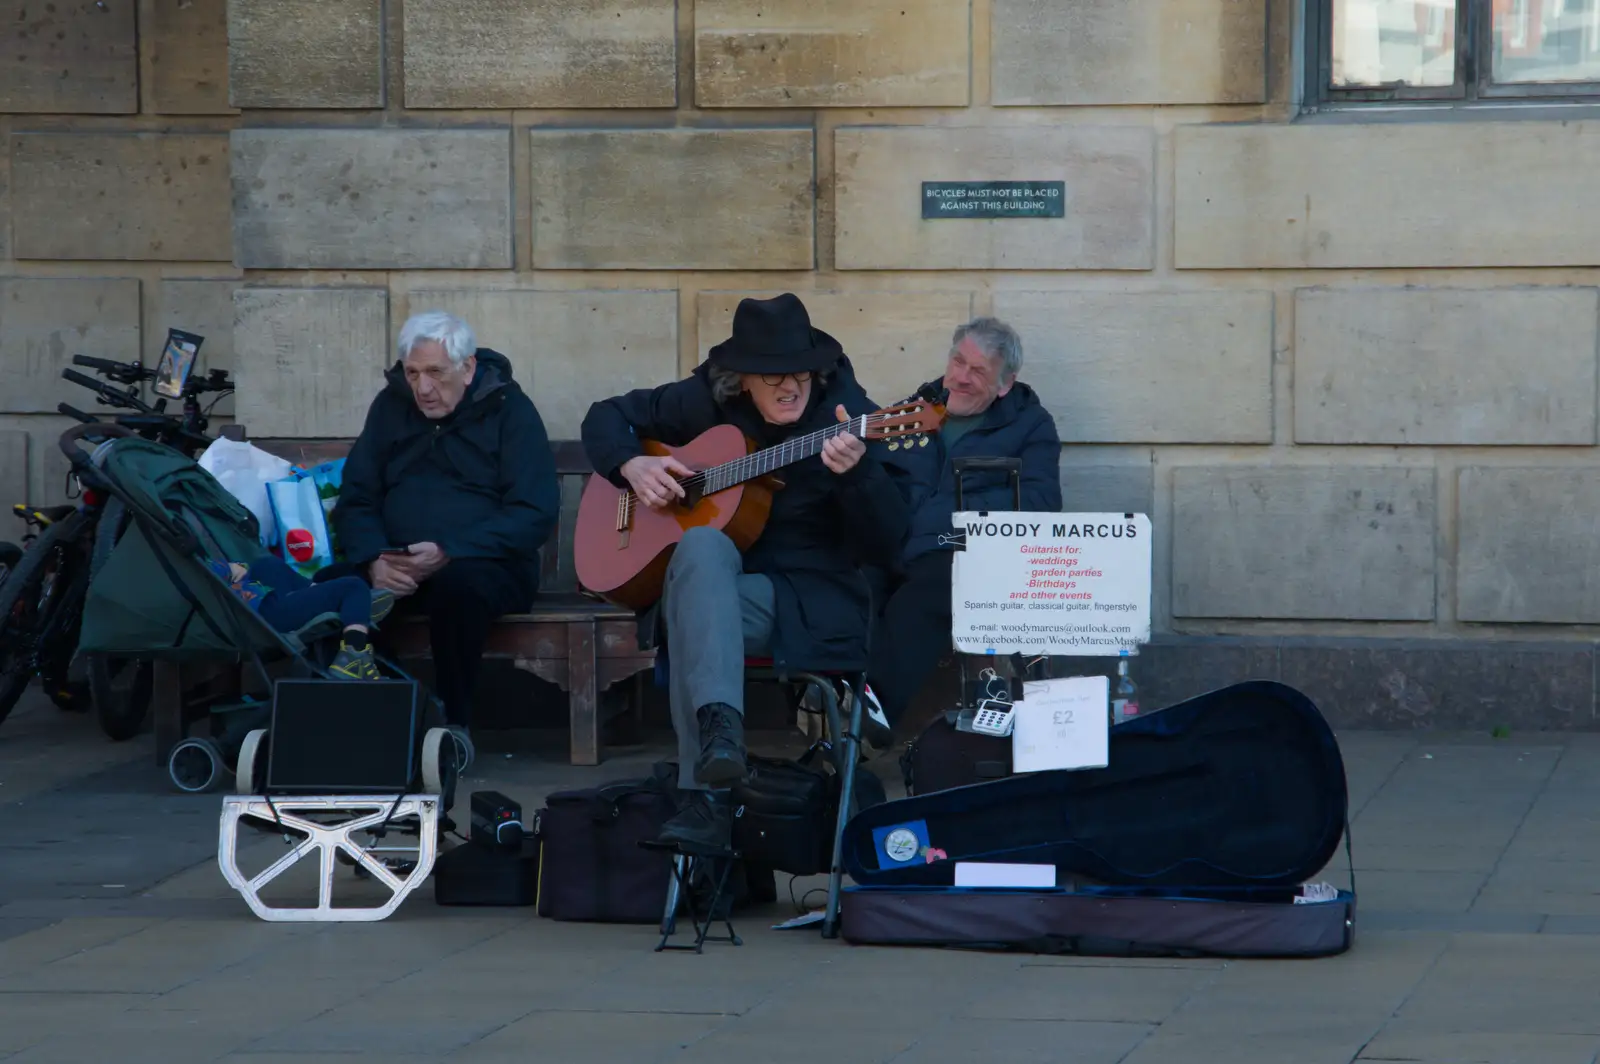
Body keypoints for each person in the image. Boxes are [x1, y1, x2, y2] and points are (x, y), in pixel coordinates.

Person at [581, 293, 910, 853]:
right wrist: (631, 464)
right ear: (741, 379)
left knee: (693, 603)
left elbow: (889, 544)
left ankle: (703, 798)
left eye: (800, 373)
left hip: (806, 599)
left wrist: (857, 479)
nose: (790, 387)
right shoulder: (704, 401)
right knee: (704, 547)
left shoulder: (849, 416)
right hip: (714, 593)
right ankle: (719, 752)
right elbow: (605, 415)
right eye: (772, 375)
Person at [331, 310, 560, 738]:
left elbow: (534, 512)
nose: (423, 388)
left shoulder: (510, 409)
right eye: (413, 372)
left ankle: (453, 725)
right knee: (335, 586)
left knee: (459, 590)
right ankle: (366, 728)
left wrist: (450, 549)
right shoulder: (390, 406)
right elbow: (356, 498)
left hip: (485, 562)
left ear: (468, 367)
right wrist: (374, 558)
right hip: (395, 563)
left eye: (435, 372)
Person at [863, 316, 1062, 737]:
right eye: (958, 361)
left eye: (978, 371)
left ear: (1005, 384)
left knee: (939, 582)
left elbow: (1043, 504)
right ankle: (831, 716)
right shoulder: (913, 410)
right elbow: (874, 486)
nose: (961, 378)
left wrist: (944, 517)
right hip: (894, 551)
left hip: (962, 557)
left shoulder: (1031, 425)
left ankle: (872, 710)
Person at [207, 554, 395, 680]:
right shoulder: (191, 565)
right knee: (354, 586)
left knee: (267, 564)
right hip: (264, 615)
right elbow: (216, 573)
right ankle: (354, 653)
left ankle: (329, 596)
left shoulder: (185, 571)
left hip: (260, 605)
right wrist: (231, 569)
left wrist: (236, 569)